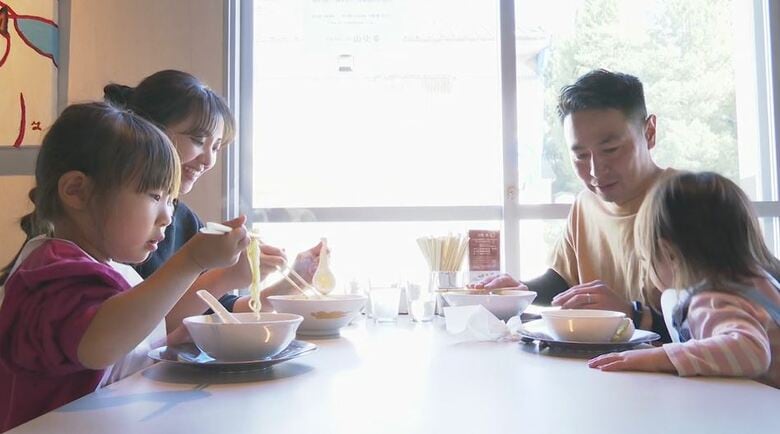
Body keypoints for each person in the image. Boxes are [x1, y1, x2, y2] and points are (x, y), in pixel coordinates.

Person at [0, 102, 250, 431]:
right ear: (76, 191)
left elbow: (135, 337)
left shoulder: (111, 268)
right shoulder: (51, 270)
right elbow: (97, 345)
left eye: (170, 200)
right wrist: (192, 260)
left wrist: (172, 339)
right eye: (153, 195)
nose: (168, 216)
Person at [103, 70, 321, 330]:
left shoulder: (183, 220)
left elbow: (215, 309)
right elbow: (141, 329)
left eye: (216, 147)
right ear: (150, 129)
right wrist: (223, 275)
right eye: (198, 140)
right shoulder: (121, 220)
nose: (208, 160)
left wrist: (287, 284)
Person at [473, 69, 673, 336]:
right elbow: (564, 281)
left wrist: (631, 313)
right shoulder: (586, 204)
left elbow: (729, 328)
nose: (595, 170)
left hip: (681, 372)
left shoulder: (694, 201)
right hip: (605, 367)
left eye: (610, 150)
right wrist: (520, 291)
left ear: (649, 132)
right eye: (580, 155)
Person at [589, 172, 780, 388]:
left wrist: (658, 359)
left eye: (645, 259)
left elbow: (751, 350)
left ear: (669, 253)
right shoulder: (759, 283)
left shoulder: (712, 302)